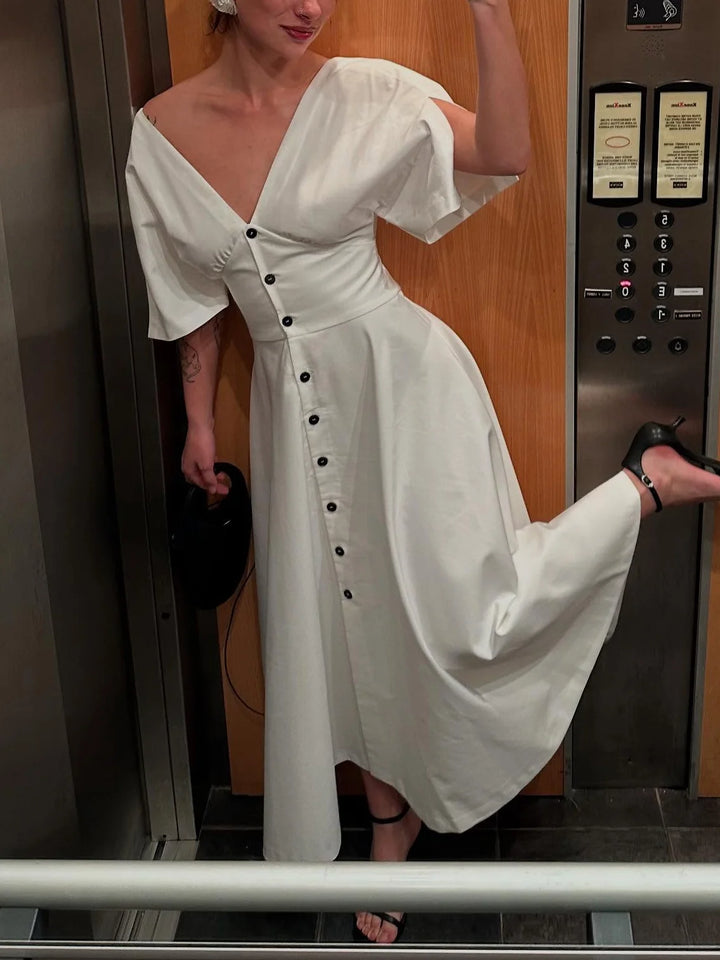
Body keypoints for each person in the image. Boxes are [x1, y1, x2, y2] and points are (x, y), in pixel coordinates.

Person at [125, 0, 720, 944]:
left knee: (467, 612)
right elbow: (193, 292)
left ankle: (643, 482)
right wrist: (198, 420)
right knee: (345, 628)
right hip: (288, 416)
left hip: (404, 394)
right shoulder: (159, 132)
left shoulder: (367, 94)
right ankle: (389, 825)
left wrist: (490, 10)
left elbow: (503, 153)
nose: (310, 6)